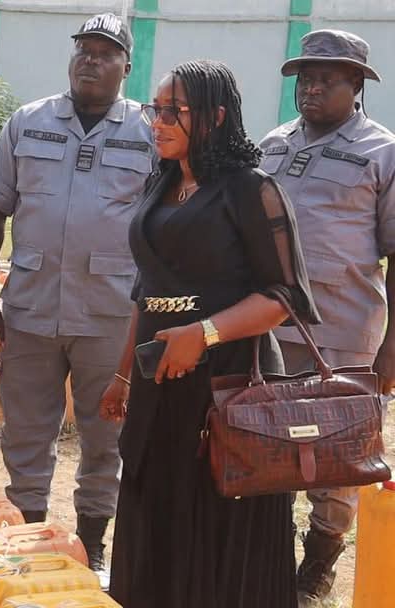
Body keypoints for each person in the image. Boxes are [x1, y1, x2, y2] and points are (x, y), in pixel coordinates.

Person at [101, 59, 320, 608]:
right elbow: (147, 290)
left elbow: (285, 296)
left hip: (227, 387)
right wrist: (122, 375)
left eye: (174, 111)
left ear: (215, 116)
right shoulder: (162, 182)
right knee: (157, 509)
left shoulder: (251, 190)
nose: (158, 122)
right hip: (158, 383)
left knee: (217, 519)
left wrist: (203, 334)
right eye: (155, 110)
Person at [0, 12, 153, 582]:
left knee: (108, 435)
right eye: (83, 50)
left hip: (111, 313)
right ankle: (31, 539)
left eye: (105, 52)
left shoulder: (149, 130)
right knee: (26, 430)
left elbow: (168, 224)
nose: (90, 60)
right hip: (30, 308)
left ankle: (92, 545)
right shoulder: (27, 122)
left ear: (127, 65)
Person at [257, 29, 395, 605]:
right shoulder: (272, 143)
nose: (310, 89)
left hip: (344, 329)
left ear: (356, 84)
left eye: (326, 80)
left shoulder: (383, 152)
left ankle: (318, 566)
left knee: (338, 453)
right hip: (268, 326)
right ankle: (269, 556)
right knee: (267, 443)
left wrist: (392, 346)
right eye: (305, 79)